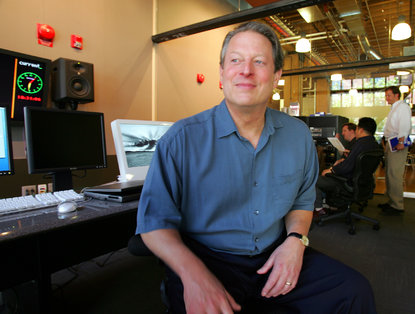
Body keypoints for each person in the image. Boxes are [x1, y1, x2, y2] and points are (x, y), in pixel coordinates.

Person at [136, 22, 376, 314]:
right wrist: (193, 276)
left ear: (276, 77)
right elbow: (154, 223)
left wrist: (295, 241)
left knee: (354, 292)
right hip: (207, 259)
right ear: (222, 74)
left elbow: (302, 201)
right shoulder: (181, 139)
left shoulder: (298, 135)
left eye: (259, 62)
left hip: (276, 252)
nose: (246, 70)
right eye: (235, 60)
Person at [316, 117, 381, 211]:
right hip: (363, 183)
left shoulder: (360, 144)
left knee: (314, 180)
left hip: (348, 182)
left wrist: (331, 170)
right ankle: (330, 203)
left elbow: (346, 168)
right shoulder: (374, 144)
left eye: (357, 129)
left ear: (361, 130)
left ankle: (319, 208)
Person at [378, 86, 412, 214]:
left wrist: (401, 142)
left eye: (389, 95)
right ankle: (392, 201)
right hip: (391, 142)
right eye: (386, 95)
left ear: (397, 95)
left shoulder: (402, 107)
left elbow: (404, 125)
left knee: (395, 174)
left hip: (398, 142)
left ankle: (397, 205)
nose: (387, 98)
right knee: (389, 173)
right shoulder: (394, 108)